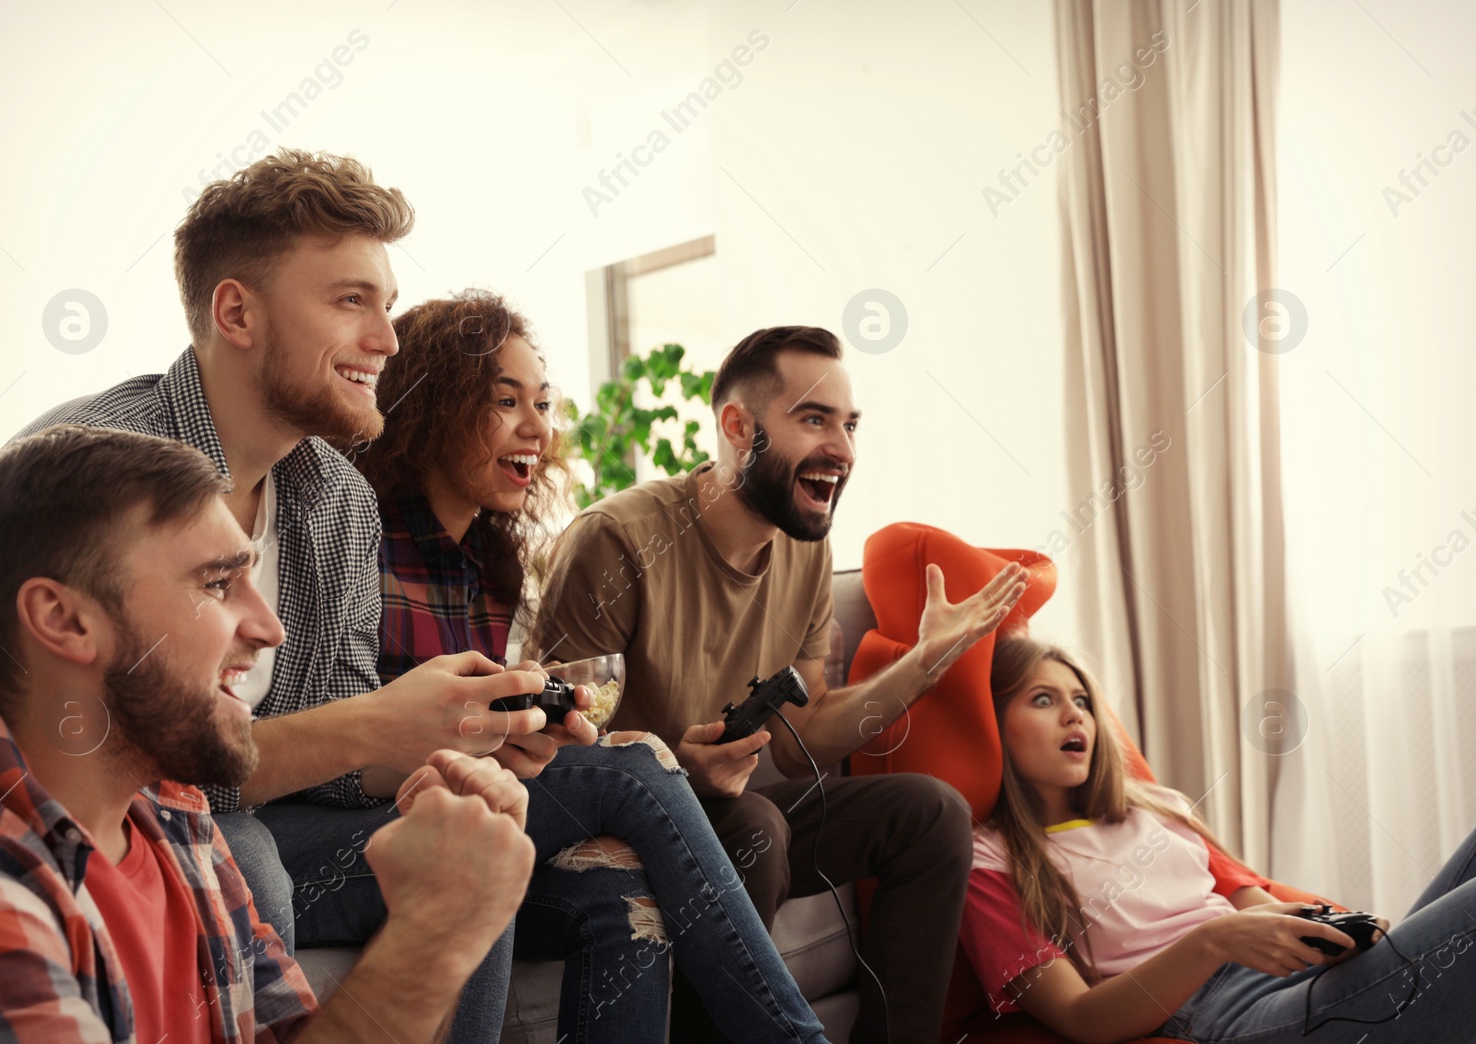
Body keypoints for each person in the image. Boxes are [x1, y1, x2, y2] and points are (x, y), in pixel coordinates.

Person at [0, 148, 549, 1037]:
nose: (388, 340)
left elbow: (322, 754)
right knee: (254, 863)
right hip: (89, 812)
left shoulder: (340, 498)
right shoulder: (91, 471)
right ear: (236, 310)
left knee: (471, 845)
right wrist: (374, 726)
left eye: (385, 305)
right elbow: (10, 742)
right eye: (352, 301)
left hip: (192, 807)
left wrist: (454, 734)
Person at [0, 425, 534, 1042]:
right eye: (218, 583)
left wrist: (449, 912)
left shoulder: (173, 818)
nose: (269, 629)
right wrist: (429, 937)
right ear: (64, 621)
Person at [344, 290, 830, 1043]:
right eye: (506, 401)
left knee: (619, 891)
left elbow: (478, 725)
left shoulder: (489, 559)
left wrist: (528, 732)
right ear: (434, 404)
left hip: (474, 800)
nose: (538, 428)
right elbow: (355, 731)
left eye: (542, 403)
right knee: (632, 764)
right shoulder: (358, 538)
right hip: (377, 822)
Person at [528, 325, 1030, 1043]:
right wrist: (676, 767)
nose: (844, 450)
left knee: (930, 812)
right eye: (814, 419)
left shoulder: (805, 550)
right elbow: (558, 747)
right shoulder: (617, 539)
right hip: (627, 828)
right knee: (756, 826)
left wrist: (923, 662)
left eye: (850, 425)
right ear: (739, 427)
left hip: (731, 813)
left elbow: (804, 743)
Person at [962, 632, 1476, 1043]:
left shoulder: (1160, 806)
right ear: (993, 726)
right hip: (1226, 1013)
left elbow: (1253, 900)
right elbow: (1080, 1018)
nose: (1076, 714)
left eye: (1081, 700)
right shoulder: (990, 861)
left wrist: (1333, 934)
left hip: (1293, 975)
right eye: (1043, 699)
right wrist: (1213, 941)